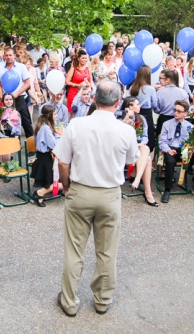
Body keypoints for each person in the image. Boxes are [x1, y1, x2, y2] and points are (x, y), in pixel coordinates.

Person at [54, 81, 138, 317]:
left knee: (74, 250)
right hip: (109, 194)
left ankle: (69, 301)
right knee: (107, 251)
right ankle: (102, 300)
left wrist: (67, 186)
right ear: (118, 102)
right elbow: (131, 160)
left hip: (80, 190)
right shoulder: (126, 130)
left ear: (94, 99)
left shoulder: (76, 124)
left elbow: (62, 161)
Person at [158, 100, 194, 203]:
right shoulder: (167, 124)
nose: (176, 113)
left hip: (185, 150)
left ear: (185, 113)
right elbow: (162, 141)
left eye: (179, 111)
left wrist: (190, 150)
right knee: (170, 162)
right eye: (175, 110)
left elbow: (192, 142)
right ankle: (167, 190)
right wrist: (168, 150)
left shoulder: (190, 126)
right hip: (171, 148)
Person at [0, 47, 33, 136]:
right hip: (5, 98)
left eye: (10, 55)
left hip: (18, 97)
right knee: (1, 121)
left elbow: (27, 83)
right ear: (4, 56)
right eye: (6, 55)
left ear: (14, 55)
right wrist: (1, 96)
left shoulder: (21, 67)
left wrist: (17, 94)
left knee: (26, 121)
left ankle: (32, 145)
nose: (8, 57)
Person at [124, 97, 156, 205]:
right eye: (137, 104)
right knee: (148, 159)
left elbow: (145, 137)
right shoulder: (122, 118)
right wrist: (127, 121)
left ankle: (139, 181)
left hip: (138, 147)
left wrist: (140, 143)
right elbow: (120, 136)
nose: (140, 106)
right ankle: (147, 192)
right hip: (125, 149)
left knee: (146, 149)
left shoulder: (142, 118)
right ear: (130, 107)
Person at [31, 105, 62, 207]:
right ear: (49, 115)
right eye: (55, 114)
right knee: (60, 179)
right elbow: (53, 145)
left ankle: (42, 194)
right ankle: (40, 193)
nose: (56, 115)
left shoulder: (42, 125)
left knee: (54, 178)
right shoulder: (46, 128)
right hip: (45, 158)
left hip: (41, 156)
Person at [155, 69, 189, 139]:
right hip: (179, 120)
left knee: (161, 142)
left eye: (160, 78)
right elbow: (188, 107)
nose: (159, 80)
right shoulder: (182, 92)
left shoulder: (159, 93)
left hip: (164, 119)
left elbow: (156, 109)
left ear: (167, 80)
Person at [129, 65, 157, 151]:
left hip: (135, 112)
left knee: (137, 132)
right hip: (147, 112)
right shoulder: (150, 89)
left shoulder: (132, 88)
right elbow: (154, 104)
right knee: (147, 134)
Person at [64, 49, 93, 116]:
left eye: (86, 58)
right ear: (79, 58)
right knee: (72, 113)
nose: (84, 60)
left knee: (85, 113)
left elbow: (90, 82)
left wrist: (89, 85)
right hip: (73, 93)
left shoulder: (88, 69)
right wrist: (78, 85)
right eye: (83, 58)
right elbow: (67, 81)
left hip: (85, 94)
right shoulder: (73, 68)